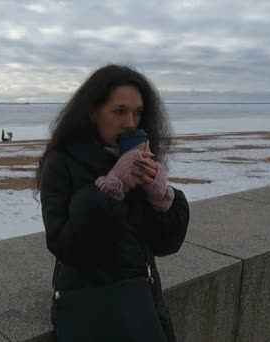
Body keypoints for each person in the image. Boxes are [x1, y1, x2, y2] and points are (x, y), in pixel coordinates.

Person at [35, 64, 190, 342]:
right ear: (93, 112)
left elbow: (168, 244)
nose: (131, 123)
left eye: (137, 113)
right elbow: (63, 244)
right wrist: (113, 184)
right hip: (90, 310)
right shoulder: (61, 162)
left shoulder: (138, 159)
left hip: (143, 304)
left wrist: (160, 195)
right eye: (119, 111)